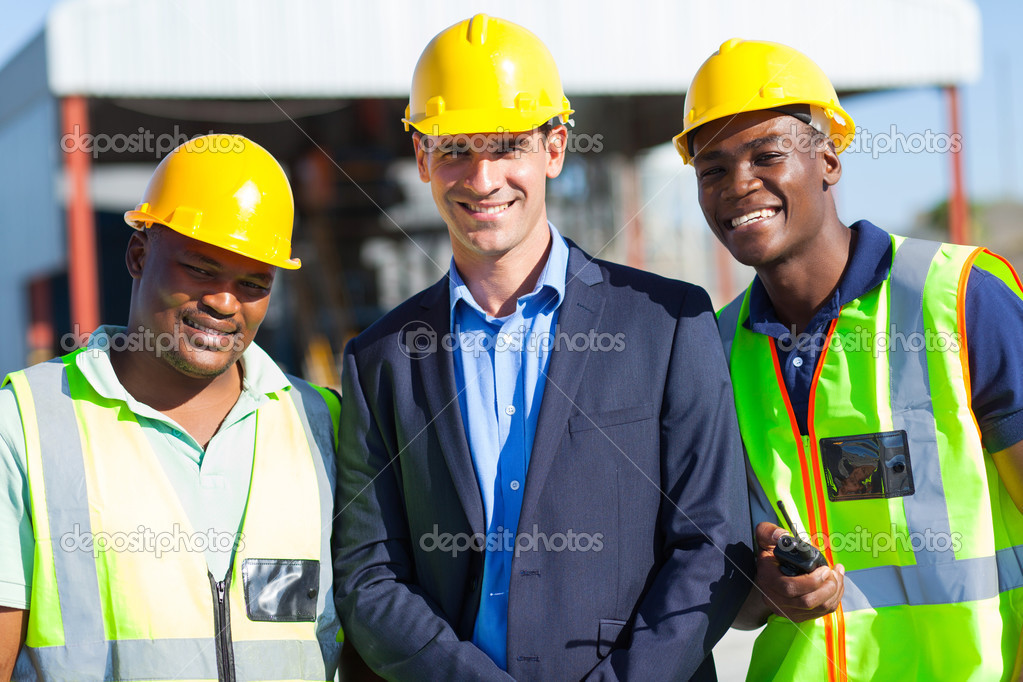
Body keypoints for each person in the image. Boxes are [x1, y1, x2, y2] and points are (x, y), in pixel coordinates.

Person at [333, 13, 752, 681]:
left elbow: (711, 544)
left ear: (554, 147)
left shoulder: (666, 323)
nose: (482, 176)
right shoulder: (380, 361)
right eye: (454, 148)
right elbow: (368, 573)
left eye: (506, 145)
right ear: (421, 159)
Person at [674, 38, 1023, 680]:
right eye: (712, 170)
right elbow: (737, 593)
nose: (739, 185)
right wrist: (769, 590)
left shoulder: (960, 298)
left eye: (767, 154)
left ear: (829, 157)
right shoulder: (712, 351)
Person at [0, 134, 343, 681]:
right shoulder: (25, 422)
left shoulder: (322, 423)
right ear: (138, 255)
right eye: (201, 269)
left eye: (253, 282)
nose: (225, 302)